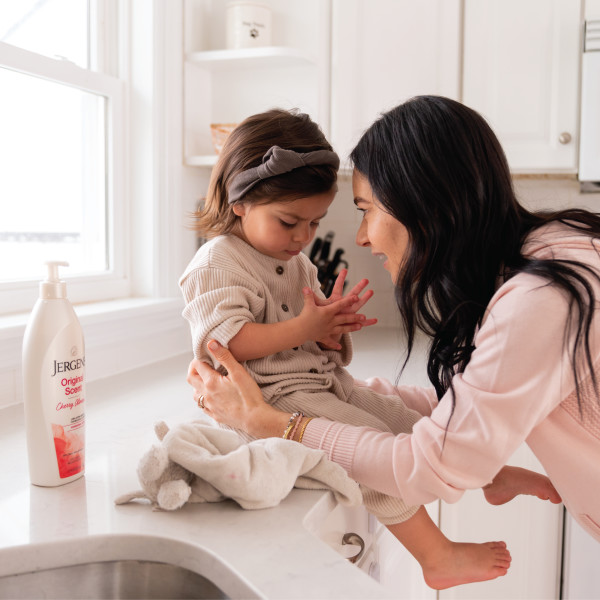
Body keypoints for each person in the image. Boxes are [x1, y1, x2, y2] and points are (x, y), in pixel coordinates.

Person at [188, 96, 600, 552]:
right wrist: (336, 384)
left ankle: (436, 554)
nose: (361, 235)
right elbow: (473, 406)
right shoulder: (547, 260)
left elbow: (431, 463)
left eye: (365, 209)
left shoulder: (539, 300)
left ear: (424, 205)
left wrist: (275, 423)